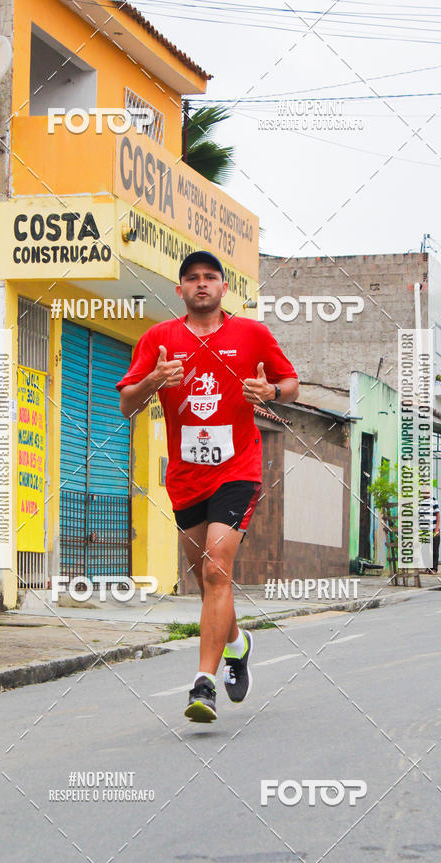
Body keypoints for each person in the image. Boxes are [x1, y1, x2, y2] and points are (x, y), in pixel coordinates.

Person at [116, 250, 299, 723]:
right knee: (205, 578)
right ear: (180, 290)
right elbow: (127, 405)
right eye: (192, 279)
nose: (202, 285)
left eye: (210, 278)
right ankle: (237, 643)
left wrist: (271, 393)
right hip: (186, 476)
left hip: (238, 469)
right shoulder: (159, 339)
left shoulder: (251, 334)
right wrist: (154, 379)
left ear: (222, 288)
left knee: (218, 569)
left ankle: (203, 684)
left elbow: (291, 382)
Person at [419, 493, 440, 573]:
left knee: (435, 549)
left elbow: (438, 515)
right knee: (424, 550)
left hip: (434, 529)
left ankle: (434, 568)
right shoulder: (420, 502)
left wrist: (437, 529)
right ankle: (428, 567)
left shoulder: (433, 500)